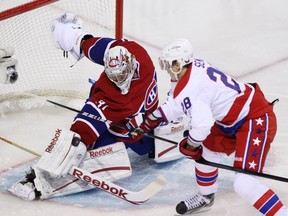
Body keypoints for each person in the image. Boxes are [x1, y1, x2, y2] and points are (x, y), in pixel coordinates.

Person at [8, 13, 184, 201]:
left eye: (122, 75)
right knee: (86, 146)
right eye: (114, 76)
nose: (119, 80)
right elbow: (80, 132)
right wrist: (79, 39)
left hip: (138, 128)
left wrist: (80, 40)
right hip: (129, 128)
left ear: (131, 64)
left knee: (141, 140)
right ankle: (38, 182)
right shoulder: (125, 72)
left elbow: (97, 47)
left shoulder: (124, 75)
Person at [128, 38, 287, 215]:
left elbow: (202, 125)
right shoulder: (193, 68)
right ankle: (206, 197)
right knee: (207, 150)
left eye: (171, 65)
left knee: (244, 183)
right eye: (165, 64)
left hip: (255, 118)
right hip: (231, 120)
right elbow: (175, 105)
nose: (167, 70)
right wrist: (147, 124)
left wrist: (191, 143)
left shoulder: (193, 87)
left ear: (182, 64)